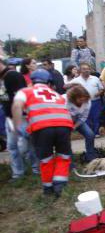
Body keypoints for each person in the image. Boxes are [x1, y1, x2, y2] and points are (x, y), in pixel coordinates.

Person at [12, 69, 74, 197]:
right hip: (64, 125)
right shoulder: (56, 94)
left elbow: (17, 106)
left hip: (42, 128)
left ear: (31, 81)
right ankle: (59, 183)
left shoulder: (25, 91)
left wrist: (16, 128)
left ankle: (48, 189)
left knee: (46, 159)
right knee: (63, 156)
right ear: (49, 83)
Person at [0, 58, 38, 181]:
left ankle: (36, 169)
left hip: (23, 118)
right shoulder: (2, 78)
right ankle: (18, 173)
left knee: (29, 146)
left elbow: (23, 97)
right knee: (12, 146)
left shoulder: (13, 76)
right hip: (9, 118)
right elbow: (4, 97)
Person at [67, 62, 104, 136]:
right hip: (83, 103)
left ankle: (96, 133)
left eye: (88, 69)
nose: (86, 70)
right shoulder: (76, 80)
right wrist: (72, 86)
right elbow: (65, 86)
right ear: (80, 70)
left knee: (96, 117)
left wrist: (98, 93)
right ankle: (89, 133)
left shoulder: (95, 78)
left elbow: (102, 89)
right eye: (84, 69)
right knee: (86, 119)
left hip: (95, 101)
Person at [65, 84, 97, 163]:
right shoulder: (65, 101)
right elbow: (63, 115)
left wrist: (75, 126)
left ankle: (90, 157)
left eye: (84, 99)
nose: (83, 101)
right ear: (73, 98)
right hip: (64, 121)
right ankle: (70, 162)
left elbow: (83, 117)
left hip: (78, 120)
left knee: (90, 135)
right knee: (65, 139)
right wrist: (69, 126)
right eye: (80, 99)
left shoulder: (87, 102)